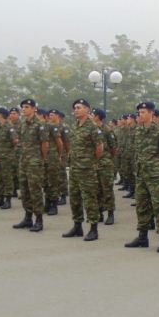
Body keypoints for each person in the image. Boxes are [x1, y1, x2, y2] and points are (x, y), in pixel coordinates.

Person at [125, 101, 159, 253]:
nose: (140, 115)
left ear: (152, 113)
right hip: (141, 174)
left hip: (156, 174)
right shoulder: (138, 131)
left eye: (143, 112)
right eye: (139, 112)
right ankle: (142, 237)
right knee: (141, 205)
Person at [62, 99, 103, 242]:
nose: (76, 110)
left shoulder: (92, 127)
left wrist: (91, 162)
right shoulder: (75, 126)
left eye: (79, 107)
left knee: (89, 199)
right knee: (75, 198)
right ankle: (77, 226)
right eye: (75, 108)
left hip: (86, 169)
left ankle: (93, 229)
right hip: (74, 168)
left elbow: (99, 148)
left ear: (87, 109)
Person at [12, 99, 49, 232]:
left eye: (27, 107)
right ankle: (28, 218)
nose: (24, 109)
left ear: (34, 109)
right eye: (22, 107)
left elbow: (44, 144)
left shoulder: (40, 124)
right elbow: (20, 142)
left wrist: (41, 159)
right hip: (24, 162)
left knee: (35, 191)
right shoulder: (22, 123)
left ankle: (39, 219)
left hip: (34, 162)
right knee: (25, 190)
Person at [92, 108, 117, 225]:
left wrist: (106, 159)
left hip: (105, 164)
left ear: (98, 117)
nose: (91, 116)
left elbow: (113, 148)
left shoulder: (107, 130)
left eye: (93, 114)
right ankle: (99, 213)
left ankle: (110, 213)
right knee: (96, 190)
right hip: (93, 163)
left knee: (107, 189)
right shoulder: (91, 129)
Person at [0, 107, 17, 210]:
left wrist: (9, 151)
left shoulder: (9, 126)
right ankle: (0, 198)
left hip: (6, 156)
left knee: (7, 178)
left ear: (1, 114)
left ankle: (8, 200)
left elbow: (15, 140)